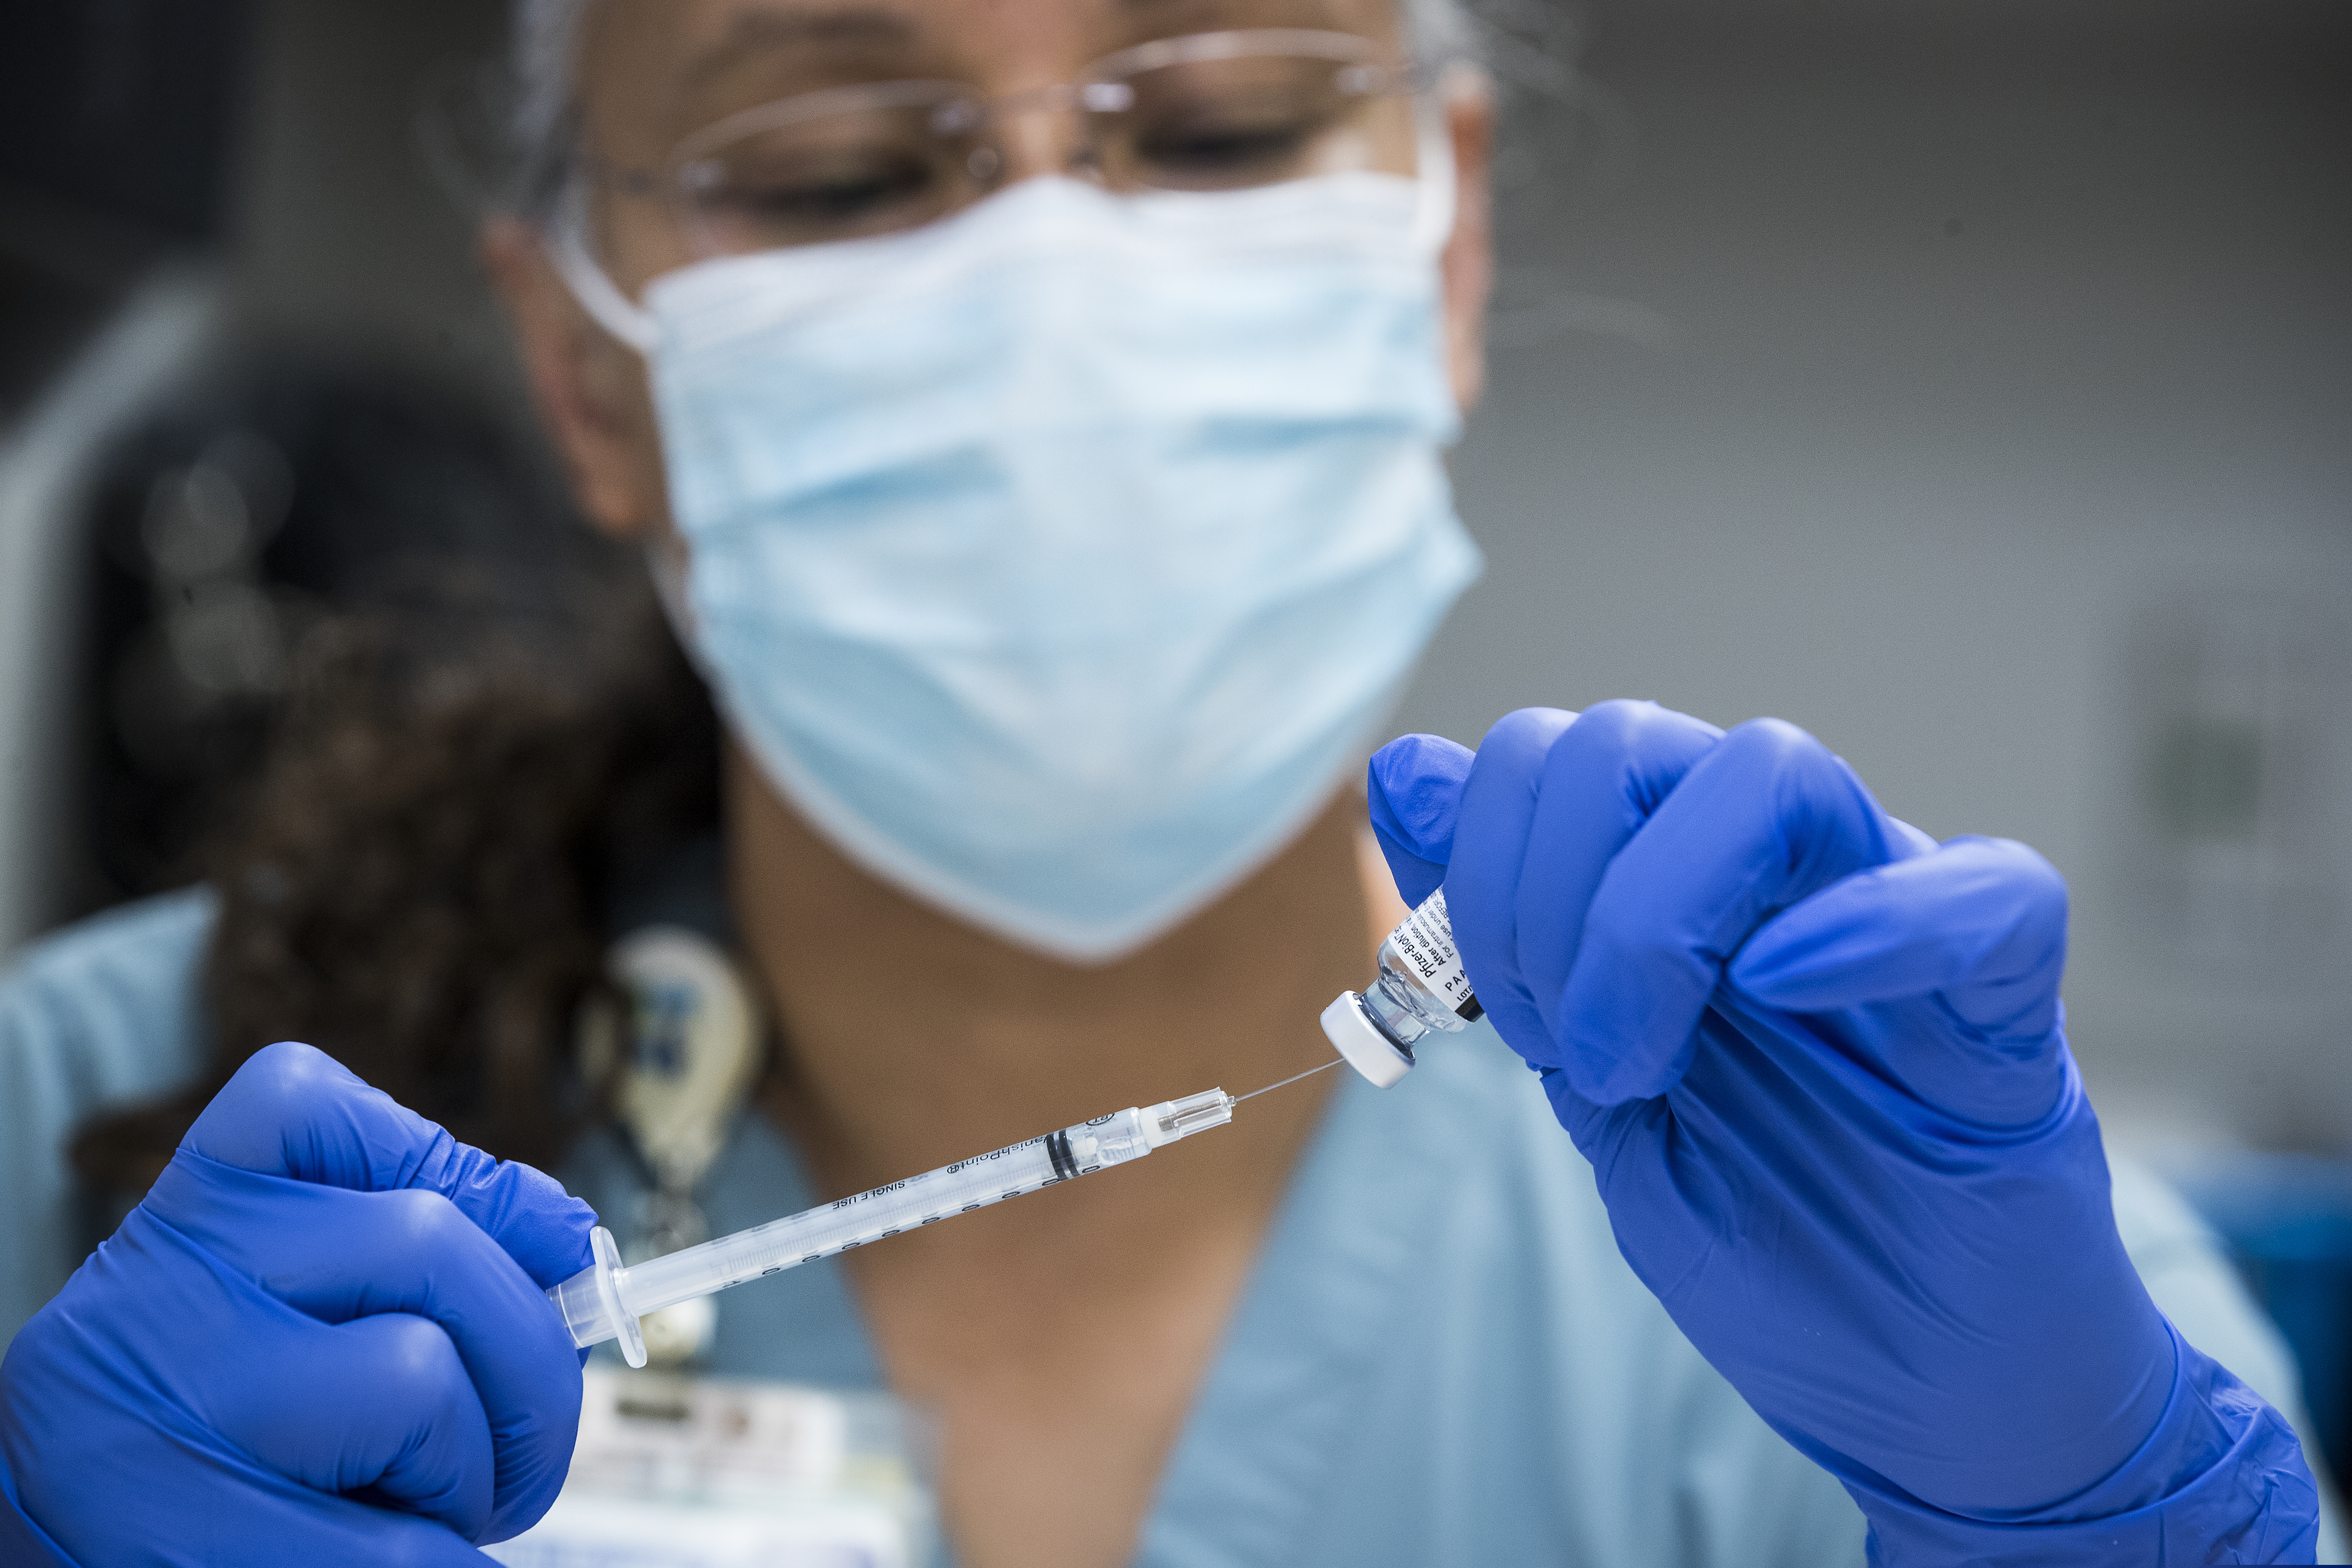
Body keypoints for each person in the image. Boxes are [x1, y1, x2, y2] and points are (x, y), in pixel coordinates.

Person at [0, 0, 2341, 1563]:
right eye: (830, 168)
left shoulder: (1896, 1266)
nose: (1057, 291)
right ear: (584, 374)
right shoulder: (99, 1156)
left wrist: (2101, 1527)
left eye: (1221, 129)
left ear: (1448, 236)